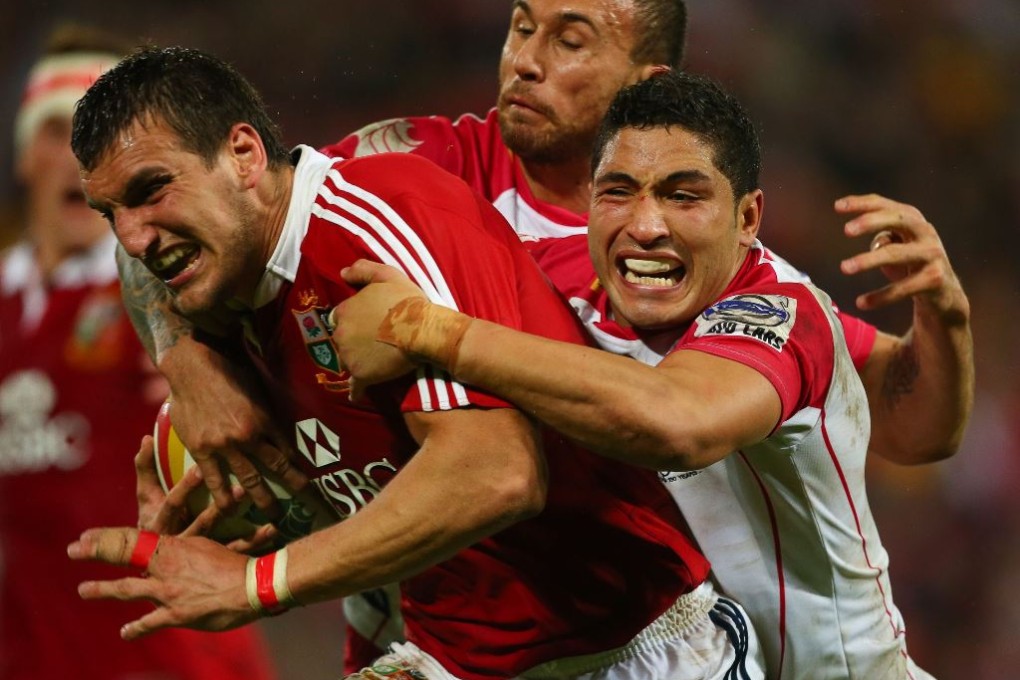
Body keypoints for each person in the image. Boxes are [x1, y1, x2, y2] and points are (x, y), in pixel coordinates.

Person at [112, 0, 973, 666]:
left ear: (642, 82)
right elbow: (203, 201)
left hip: (782, 660)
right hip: (541, 632)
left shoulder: (738, 285)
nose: (525, 59)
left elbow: (907, 425)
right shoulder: (428, 167)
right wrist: (187, 360)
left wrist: (946, 320)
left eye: (570, 40)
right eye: (521, 26)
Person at [65, 46, 765, 680]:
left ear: (244, 155)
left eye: (153, 190)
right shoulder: (219, 282)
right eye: (110, 213)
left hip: (627, 648)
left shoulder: (369, 223)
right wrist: (187, 376)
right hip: (454, 658)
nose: (133, 236)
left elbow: (498, 475)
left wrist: (257, 583)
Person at [332, 70, 954, 679]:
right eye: (618, 191)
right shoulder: (562, 278)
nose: (646, 225)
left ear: (747, 219)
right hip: (667, 653)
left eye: (683, 196)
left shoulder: (781, 314)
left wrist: (433, 331)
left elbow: (679, 421)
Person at [0, 26, 277, 680]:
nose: (78, 158)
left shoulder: (177, 293)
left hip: (172, 657)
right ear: (24, 155)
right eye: (58, 132)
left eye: (100, 140)